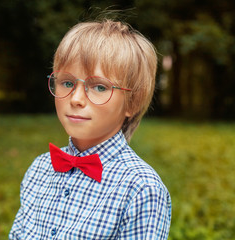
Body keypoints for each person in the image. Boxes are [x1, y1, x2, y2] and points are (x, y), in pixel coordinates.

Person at [9, 19, 171, 239]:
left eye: (99, 87)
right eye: (67, 83)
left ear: (132, 102)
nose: (76, 99)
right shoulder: (39, 170)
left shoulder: (141, 189)